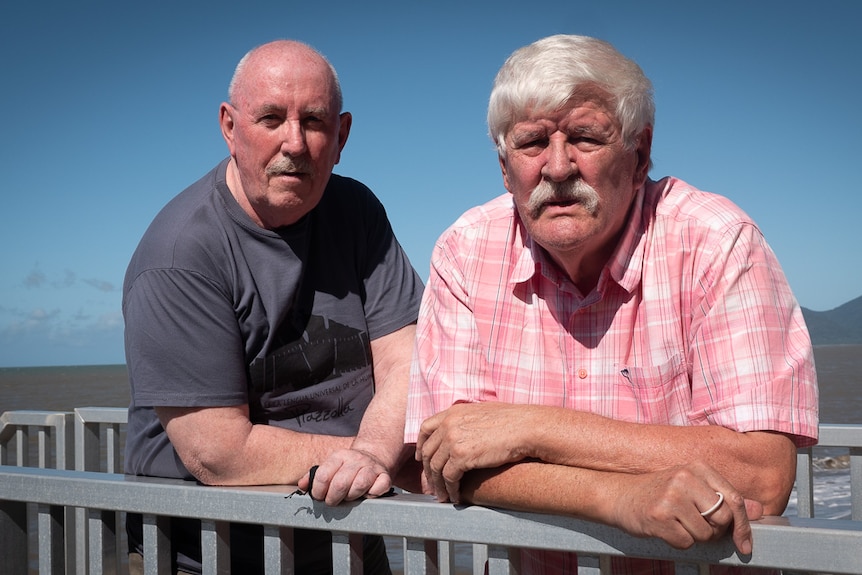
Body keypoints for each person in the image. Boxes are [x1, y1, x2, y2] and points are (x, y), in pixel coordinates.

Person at [406, 34, 818, 575]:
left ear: (639, 153)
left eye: (584, 137)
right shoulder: (464, 251)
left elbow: (763, 473)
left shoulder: (716, 242)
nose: (557, 168)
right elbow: (445, 461)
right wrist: (619, 500)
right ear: (506, 170)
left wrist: (531, 429)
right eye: (532, 143)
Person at [123, 40, 423, 575]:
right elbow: (218, 451)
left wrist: (376, 456)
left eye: (313, 120)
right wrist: (370, 458)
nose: (295, 143)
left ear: (342, 136)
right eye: (270, 118)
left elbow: (408, 358)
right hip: (208, 549)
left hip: (351, 531)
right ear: (229, 127)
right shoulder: (181, 254)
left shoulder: (357, 212)